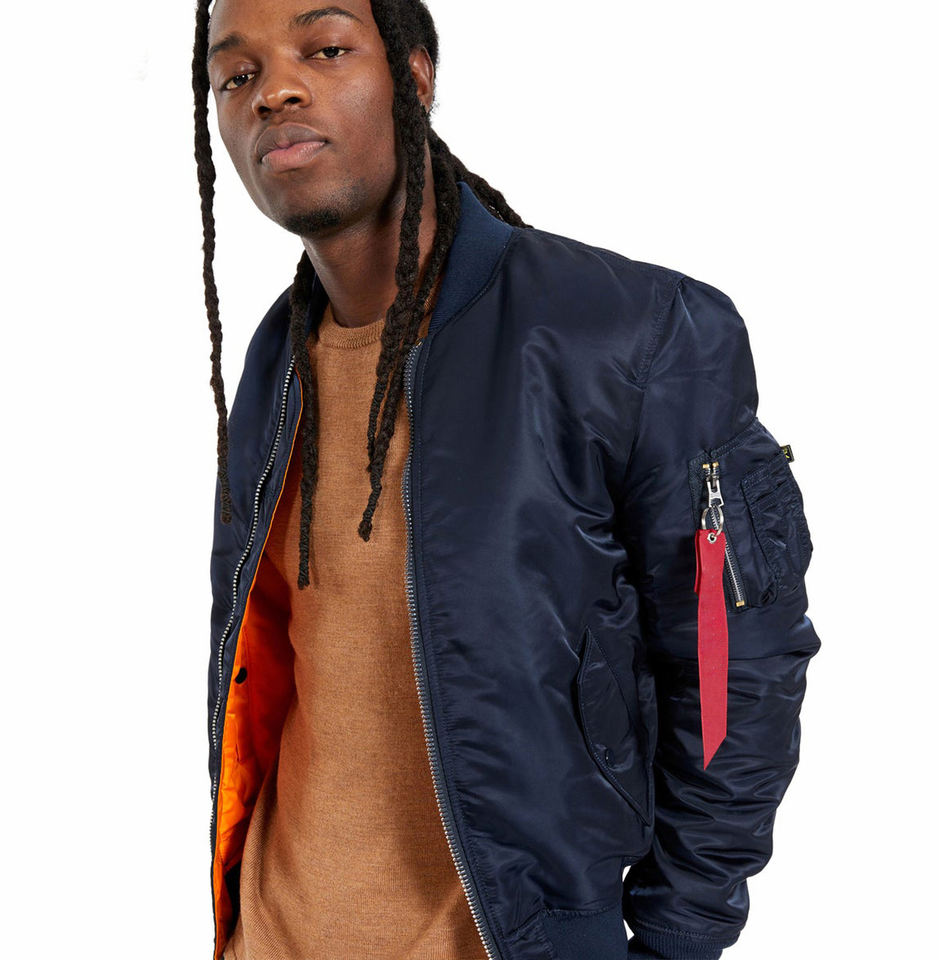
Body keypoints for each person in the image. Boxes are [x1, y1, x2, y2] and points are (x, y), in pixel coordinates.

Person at [192, 1, 822, 958]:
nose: (273, 90)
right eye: (235, 75)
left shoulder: (625, 335)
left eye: (325, 48)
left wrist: (678, 939)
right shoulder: (276, 361)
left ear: (414, 76)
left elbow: (740, 671)